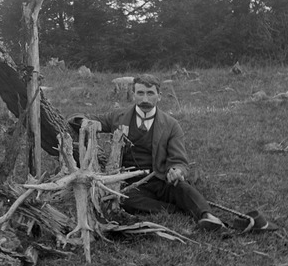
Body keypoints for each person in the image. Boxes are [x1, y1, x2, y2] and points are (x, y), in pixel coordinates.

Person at [68, 74, 225, 231]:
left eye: (150, 93)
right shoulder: (118, 117)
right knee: (123, 199)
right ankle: (175, 208)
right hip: (127, 182)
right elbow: (78, 118)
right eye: (140, 93)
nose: (145, 99)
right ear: (133, 94)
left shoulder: (171, 125)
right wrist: (85, 123)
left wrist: (176, 170)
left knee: (182, 188)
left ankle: (208, 217)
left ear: (159, 96)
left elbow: (179, 160)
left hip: (158, 178)